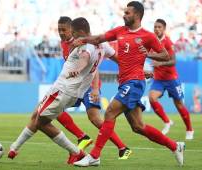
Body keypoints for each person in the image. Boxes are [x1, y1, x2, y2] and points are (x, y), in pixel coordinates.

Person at [73, 1, 185, 167]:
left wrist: (148, 54)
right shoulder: (119, 31)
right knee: (138, 127)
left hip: (135, 82)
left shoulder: (148, 36)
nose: (124, 15)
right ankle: (175, 146)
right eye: (124, 13)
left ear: (137, 15)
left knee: (110, 112)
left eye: (127, 13)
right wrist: (82, 40)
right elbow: (98, 38)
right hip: (125, 82)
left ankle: (94, 155)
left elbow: (166, 56)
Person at [8, 17, 120, 164]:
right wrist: (139, 69)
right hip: (67, 90)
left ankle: (77, 152)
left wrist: (78, 70)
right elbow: (116, 57)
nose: (71, 35)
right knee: (37, 113)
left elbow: (84, 58)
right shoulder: (101, 44)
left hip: (63, 89)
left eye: (73, 32)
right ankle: (15, 147)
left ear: (80, 31)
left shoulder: (86, 47)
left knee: (40, 122)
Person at [57, 16, 132, 159]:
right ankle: (82, 137)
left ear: (73, 30)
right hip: (76, 87)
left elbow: (94, 67)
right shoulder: (64, 43)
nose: (61, 32)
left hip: (89, 86)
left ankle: (122, 147)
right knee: (55, 110)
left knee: (95, 119)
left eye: (64, 30)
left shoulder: (87, 44)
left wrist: (96, 88)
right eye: (59, 29)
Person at [148, 19, 194, 139]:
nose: (157, 29)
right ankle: (167, 121)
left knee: (178, 105)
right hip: (158, 79)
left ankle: (189, 129)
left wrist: (159, 64)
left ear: (164, 29)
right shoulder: (151, 41)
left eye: (159, 27)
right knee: (152, 98)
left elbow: (173, 61)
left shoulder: (168, 42)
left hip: (171, 78)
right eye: (155, 27)